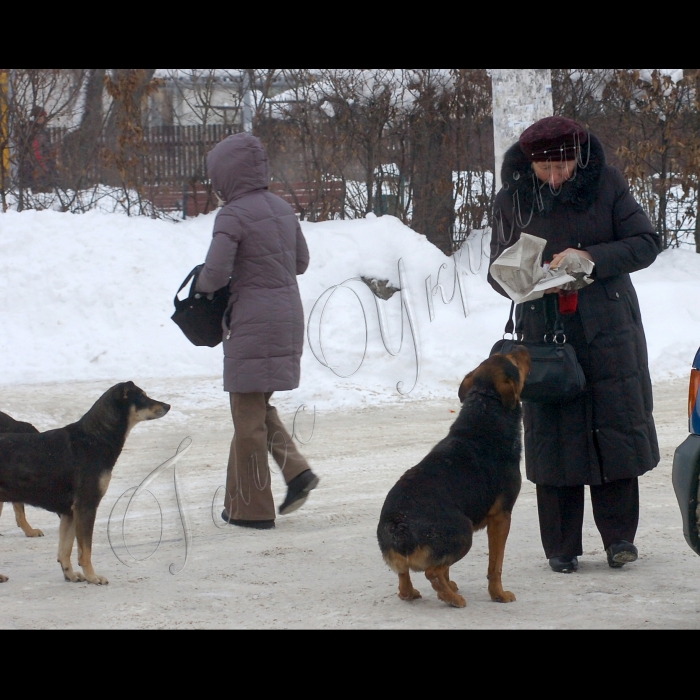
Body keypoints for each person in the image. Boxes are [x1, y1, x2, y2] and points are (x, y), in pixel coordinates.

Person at [488, 116, 660, 574]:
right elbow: (496, 271)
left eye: (563, 165)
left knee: (614, 425)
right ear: (530, 163)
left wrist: (592, 258)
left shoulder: (606, 185)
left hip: (608, 326)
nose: (556, 176)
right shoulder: (512, 200)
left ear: (578, 157)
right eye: (546, 168)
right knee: (554, 434)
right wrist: (524, 278)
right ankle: (560, 548)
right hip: (543, 329)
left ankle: (619, 538)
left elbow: (645, 242)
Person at [196, 132, 318, 530]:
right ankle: (293, 473)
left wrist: (201, 289)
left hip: (251, 320)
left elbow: (213, 275)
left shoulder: (231, 215)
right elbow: (300, 262)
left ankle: (252, 510)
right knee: (254, 407)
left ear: (227, 176)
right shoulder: (282, 208)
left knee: (247, 418)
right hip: (287, 316)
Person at [19, 106, 57, 192]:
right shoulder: (35, 133)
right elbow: (37, 151)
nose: (44, 119)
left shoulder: (39, 131)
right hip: (37, 168)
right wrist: (45, 166)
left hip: (38, 167)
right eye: (42, 117)